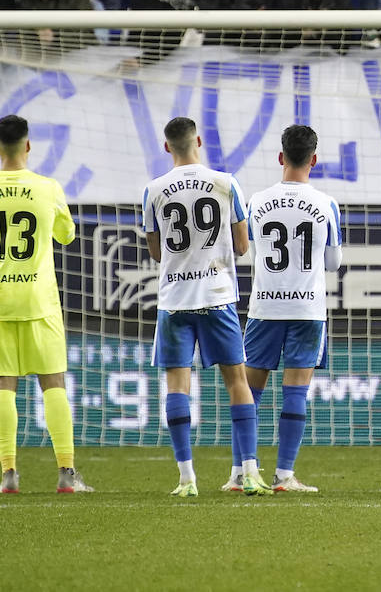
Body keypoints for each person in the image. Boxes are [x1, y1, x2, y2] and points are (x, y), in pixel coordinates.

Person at [141, 117, 268, 497]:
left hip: (175, 300)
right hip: (217, 296)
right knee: (237, 381)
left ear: (167, 147)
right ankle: (248, 472)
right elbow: (243, 246)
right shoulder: (226, 183)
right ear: (198, 141)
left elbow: (155, 251)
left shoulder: (153, 190)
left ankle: (186, 479)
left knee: (177, 384)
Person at [0, 114, 89, 495]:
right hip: (40, 298)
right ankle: (67, 474)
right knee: (53, 382)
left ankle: (8, 476)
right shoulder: (48, 188)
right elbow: (67, 235)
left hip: (0, 298)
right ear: (29, 146)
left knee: (4, 384)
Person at [242, 124, 343, 493]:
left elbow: (251, 252)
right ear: (313, 160)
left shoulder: (255, 201)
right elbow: (333, 263)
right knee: (295, 392)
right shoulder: (327, 204)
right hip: (307, 309)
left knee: (249, 393)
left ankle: (242, 472)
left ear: (281, 157)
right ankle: (284, 475)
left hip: (264, 307)